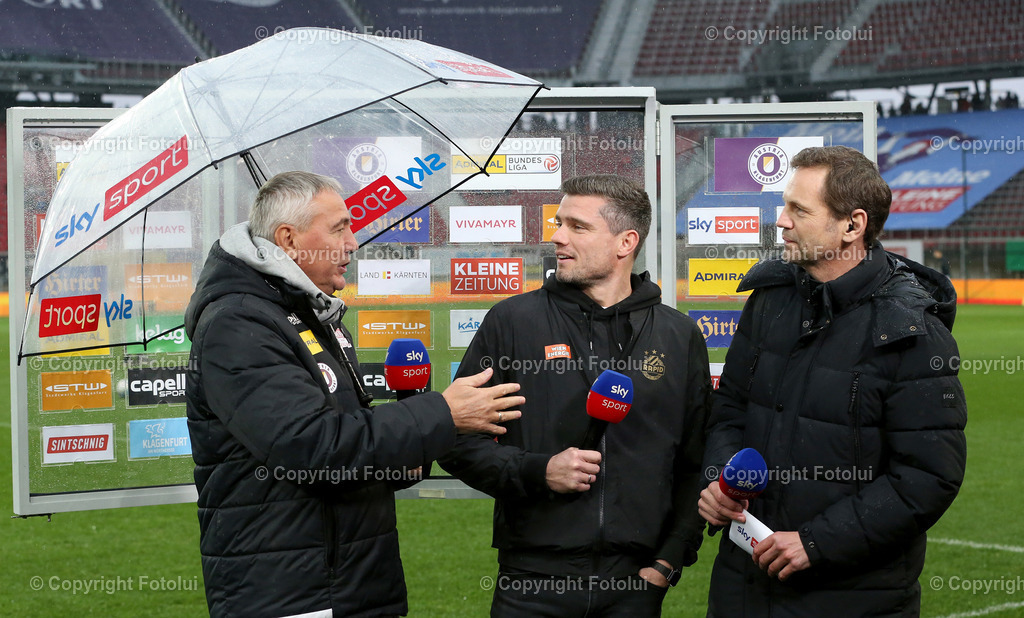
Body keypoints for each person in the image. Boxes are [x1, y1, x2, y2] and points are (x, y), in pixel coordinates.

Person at [184, 171, 526, 618]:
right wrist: (441, 413)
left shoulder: (308, 314)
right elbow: (315, 449)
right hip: (293, 593)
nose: (352, 243)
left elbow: (355, 454)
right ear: (289, 239)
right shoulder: (239, 325)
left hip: (351, 583)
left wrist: (416, 416)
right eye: (340, 227)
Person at [698, 146, 967, 616]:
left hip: (852, 597)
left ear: (852, 225)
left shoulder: (910, 331)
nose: (781, 221)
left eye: (798, 209)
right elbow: (730, 409)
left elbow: (927, 477)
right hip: (742, 587)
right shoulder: (769, 300)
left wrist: (817, 542)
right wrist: (720, 479)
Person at [439, 174, 712, 617]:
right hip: (531, 581)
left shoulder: (678, 335)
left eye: (577, 227)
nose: (557, 237)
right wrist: (537, 471)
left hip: (636, 585)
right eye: (559, 222)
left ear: (626, 242)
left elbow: (697, 458)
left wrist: (669, 561)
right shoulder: (512, 323)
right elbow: (454, 440)